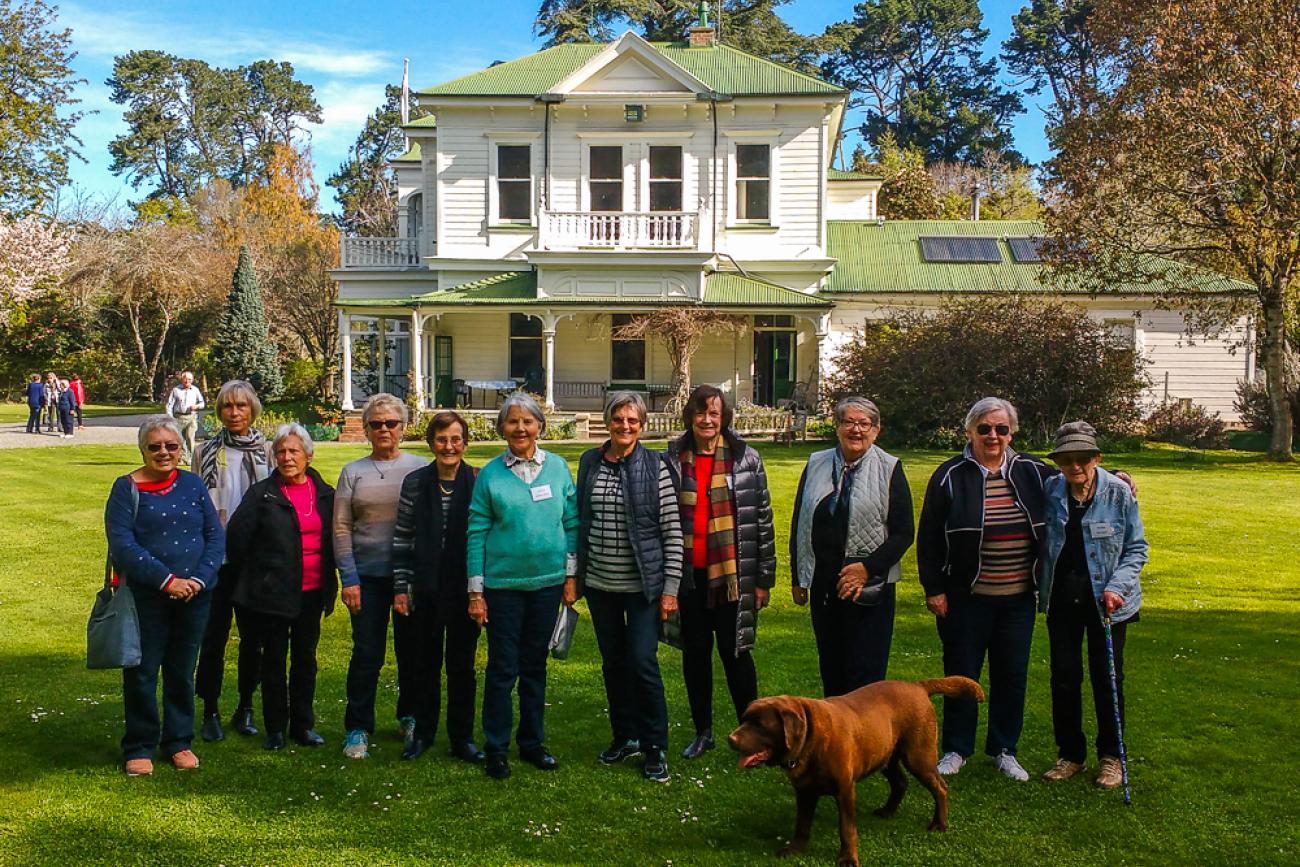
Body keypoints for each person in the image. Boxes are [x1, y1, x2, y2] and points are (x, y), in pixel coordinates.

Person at [917, 397, 1057, 782]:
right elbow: (928, 536)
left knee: (1011, 674)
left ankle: (1004, 749)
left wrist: (1120, 474)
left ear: (1012, 433)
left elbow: (1077, 477)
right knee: (962, 675)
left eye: (1001, 429)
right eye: (984, 428)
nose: (993, 436)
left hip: (1017, 598)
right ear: (969, 432)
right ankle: (957, 748)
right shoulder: (949, 475)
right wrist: (934, 588)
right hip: (966, 597)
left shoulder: (1032, 471)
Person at [467, 392, 578, 780]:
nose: (520, 428)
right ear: (501, 429)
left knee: (535, 667)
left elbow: (572, 524)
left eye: (527, 421)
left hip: (547, 585)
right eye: (512, 422)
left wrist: (570, 576)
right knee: (502, 668)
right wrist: (476, 592)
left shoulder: (560, 468)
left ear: (539, 427)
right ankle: (496, 747)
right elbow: (477, 532)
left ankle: (532, 743)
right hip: (503, 587)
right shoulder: (490, 475)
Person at [105, 415, 224, 776]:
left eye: (171, 446)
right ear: (142, 449)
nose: (164, 452)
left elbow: (214, 535)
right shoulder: (126, 489)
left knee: (181, 671)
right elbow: (123, 545)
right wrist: (167, 580)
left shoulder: (191, 484)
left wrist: (200, 580)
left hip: (195, 596)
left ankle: (178, 741)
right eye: (155, 446)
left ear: (181, 448)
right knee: (142, 671)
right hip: (148, 597)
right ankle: (139, 745)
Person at [663, 385, 776, 760]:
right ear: (689, 417)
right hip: (689, 579)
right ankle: (703, 731)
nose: (707, 420)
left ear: (724, 417)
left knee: (737, 655)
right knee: (695, 656)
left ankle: (755, 732)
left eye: (714, 413)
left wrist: (763, 580)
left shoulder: (746, 459)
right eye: (700, 413)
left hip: (733, 580)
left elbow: (762, 521)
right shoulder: (673, 458)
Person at [575, 392, 683, 783]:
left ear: (642, 425)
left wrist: (670, 589)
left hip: (643, 587)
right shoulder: (589, 462)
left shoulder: (657, 466)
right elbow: (580, 522)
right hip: (601, 584)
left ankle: (655, 746)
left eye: (632, 421)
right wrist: (575, 576)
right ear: (608, 422)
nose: (624, 426)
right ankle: (625, 736)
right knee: (614, 664)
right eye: (618, 419)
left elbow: (672, 532)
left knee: (642, 662)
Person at [1039, 421, 1147, 789]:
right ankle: (1070, 754)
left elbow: (1137, 548)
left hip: (1109, 602)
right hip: (1062, 599)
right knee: (1065, 678)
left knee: (1107, 679)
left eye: (1083, 459)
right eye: (1067, 460)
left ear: (1096, 458)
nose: (1075, 467)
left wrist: (1117, 587)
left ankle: (1112, 757)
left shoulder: (1118, 492)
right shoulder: (1051, 490)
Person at [790, 396, 915, 696]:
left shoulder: (890, 468)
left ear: (876, 430)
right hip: (824, 585)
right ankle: (836, 739)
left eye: (864, 423)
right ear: (837, 427)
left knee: (866, 676)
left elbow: (903, 533)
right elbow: (800, 522)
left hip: (869, 588)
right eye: (849, 422)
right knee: (832, 670)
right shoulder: (816, 463)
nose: (856, 430)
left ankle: (867, 740)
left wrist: (866, 569)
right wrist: (798, 577)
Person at [225, 423, 338, 752]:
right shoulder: (263, 494)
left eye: (294, 451)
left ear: (309, 456)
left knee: (306, 660)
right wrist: (260, 576)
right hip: (272, 593)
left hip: (312, 591)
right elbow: (237, 540)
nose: (287, 458)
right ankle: (275, 727)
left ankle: (303, 725)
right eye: (281, 452)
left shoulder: (325, 493)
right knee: (274, 661)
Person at [334, 393, 427, 760]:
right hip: (367, 577)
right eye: (377, 424)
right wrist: (349, 579)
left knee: (412, 652)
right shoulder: (352, 472)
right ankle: (357, 727)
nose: (384, 429)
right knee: (367, 653)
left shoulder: (420, 468)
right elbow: (341, 529)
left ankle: (411, 715)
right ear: (367, 429)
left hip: (411, 578)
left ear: (403, 428)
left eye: (391, 423)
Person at [391, 410, 485, 763]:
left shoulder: (478, 480)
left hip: (464, 588)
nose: (449, 446)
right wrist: (401, 588)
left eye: (456, 439)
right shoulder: (415, 482)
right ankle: (423, 733)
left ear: (465, 443)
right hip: (424, 587)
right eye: (442, 439)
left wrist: (480, 591)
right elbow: (402, 538)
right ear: (431, 443)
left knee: (462, 666)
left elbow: (484, 539)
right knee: (424, 664)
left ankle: (462, 737)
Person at [192, 380, 272, 743]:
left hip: (255, 559)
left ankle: (246, 706)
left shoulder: (267, 453)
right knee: (213, 638)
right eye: (227, 406)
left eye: (241, 406)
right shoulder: (205, 451)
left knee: (254, 639)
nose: (234, 412)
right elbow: (195, 501)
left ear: (252, 410)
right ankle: (209, 708)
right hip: (215, 559)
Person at [166, 371, 206, 465]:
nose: (187, 381)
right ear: (182, 379)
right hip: (179, 417)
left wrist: (196, 406)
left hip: (191, 417)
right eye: (185, 379)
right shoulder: (176, 390)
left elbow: (202, 403)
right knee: (180, 439)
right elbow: (169, 405)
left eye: (189, 379)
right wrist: (170, 418)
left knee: (190, 437)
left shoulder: (195, 390)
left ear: (192, 380)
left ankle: (192, 458)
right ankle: (184, 458)